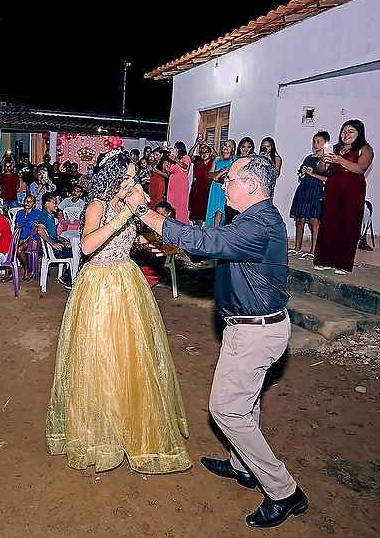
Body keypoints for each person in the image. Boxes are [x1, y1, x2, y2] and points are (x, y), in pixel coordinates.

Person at [125, 154, 308, 528]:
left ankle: (284, 491)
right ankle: (243, 466)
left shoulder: (260, 223)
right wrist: (177, 249)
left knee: (226, 411)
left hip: (255, 331)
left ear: (253, 186)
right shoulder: (254, 221)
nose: (223, 185)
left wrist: (144, 210)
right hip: (250, 327)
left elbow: (208, 238)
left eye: (230, 180)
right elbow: (220, 250)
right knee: (246, 401)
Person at [46, 149, 191, 475]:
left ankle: (132, 425)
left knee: (132, 358)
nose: (132, 181)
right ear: (112, 178)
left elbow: (131, 237)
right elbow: (86, 246)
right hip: (98, 287)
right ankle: (99, 431)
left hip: (127, 282)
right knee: (98, 358)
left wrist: (152, 242)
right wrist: (124, 215)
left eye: (133, 176)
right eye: (126, 177)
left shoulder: (129, 206)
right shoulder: (98, 205)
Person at [314, 119, 374, 274]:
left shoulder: (365, 149)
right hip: (333, 188)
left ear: (358, 133)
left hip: (352, 190)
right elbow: (321, 170)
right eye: (344, 131)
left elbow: (360, 168)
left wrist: (340, 161)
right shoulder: (334, 149)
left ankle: (342, 263)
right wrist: (323, 160)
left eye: (351, 132)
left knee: (347, 224)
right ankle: (323, 259)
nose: (346, 135)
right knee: (328, 221)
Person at [290, 131, 330, 260]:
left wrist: (314, 174)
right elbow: (301, 175)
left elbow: (327, 178)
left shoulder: (327, 160)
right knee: (299, 219)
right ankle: (297, 248)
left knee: (314, 220)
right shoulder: (308, 157)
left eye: (319, 142)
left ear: (325, 144)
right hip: (304, 190)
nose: (315, 144)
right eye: (314, 141)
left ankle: (314, 250)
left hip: (316, 190)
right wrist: (303, 172)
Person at [35, 193, 73, 288]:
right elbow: (40, 230)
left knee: (75, 249)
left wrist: (64, 240)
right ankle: (69, 278)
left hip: (55, 248)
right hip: (54, 251)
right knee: (79, 253)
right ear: (47, 203)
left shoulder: (48, 215)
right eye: (55, 203)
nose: (57, 205)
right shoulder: (45, 216)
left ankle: (66, 276)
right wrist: (52, 244)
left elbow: (53, 234)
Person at [206, 139, 235, 227]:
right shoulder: (217, 159)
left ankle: (219, 229)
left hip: (226, 186)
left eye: (229, 146)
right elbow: (210, 174)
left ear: (232, 149)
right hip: (215, 186)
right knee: (214, 208)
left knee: (221, 209)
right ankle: (213, 229)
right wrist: (220, 172)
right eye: (225, 145)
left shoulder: (234, 159)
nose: (226, 147)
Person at [13, 195, 41, 282]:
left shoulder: (37, 212)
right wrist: (17, 238)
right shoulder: (19, 213)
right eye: (26, 200)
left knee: (20, 249)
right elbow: (17, 228)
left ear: (34, 204)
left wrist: (25, 239)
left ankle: (27, 270)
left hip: (33, 238)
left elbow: (37, 229)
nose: (27, 203)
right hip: (21, 238)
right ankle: (8, 273)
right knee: (9, 247)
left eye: (30, 201)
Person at [163, 141, 190, 223]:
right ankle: (172, 221)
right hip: (173, 181)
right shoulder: (172, 159)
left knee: (181, 203)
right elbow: (168, 171)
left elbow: (185, 167)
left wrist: (176, 159)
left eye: (176, 147)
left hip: (181, 181)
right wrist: (168, 157)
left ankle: (182, 221)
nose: (174, 149)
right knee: (171, 201)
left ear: (180, 149)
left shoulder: (185, 157)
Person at [188, 139, 214, 225]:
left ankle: (200, 234)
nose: (204, 154)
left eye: (206, 152)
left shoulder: (213, 162)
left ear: (210, 153)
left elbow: (217, 155)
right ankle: (195, 234)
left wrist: (207, 144)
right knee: (195, 215)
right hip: (197, 189)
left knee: (202, 216)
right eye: (202, 152)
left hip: (207, 189)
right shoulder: (197, 161)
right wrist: (195, 144)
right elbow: (189, 156)